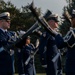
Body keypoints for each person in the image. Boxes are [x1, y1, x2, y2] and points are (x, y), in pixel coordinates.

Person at [51, 9, 75, 75]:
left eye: (72, 19)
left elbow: (60, 44)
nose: (71, 21)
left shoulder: (72, 33)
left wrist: (57, 35)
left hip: (72, 66)